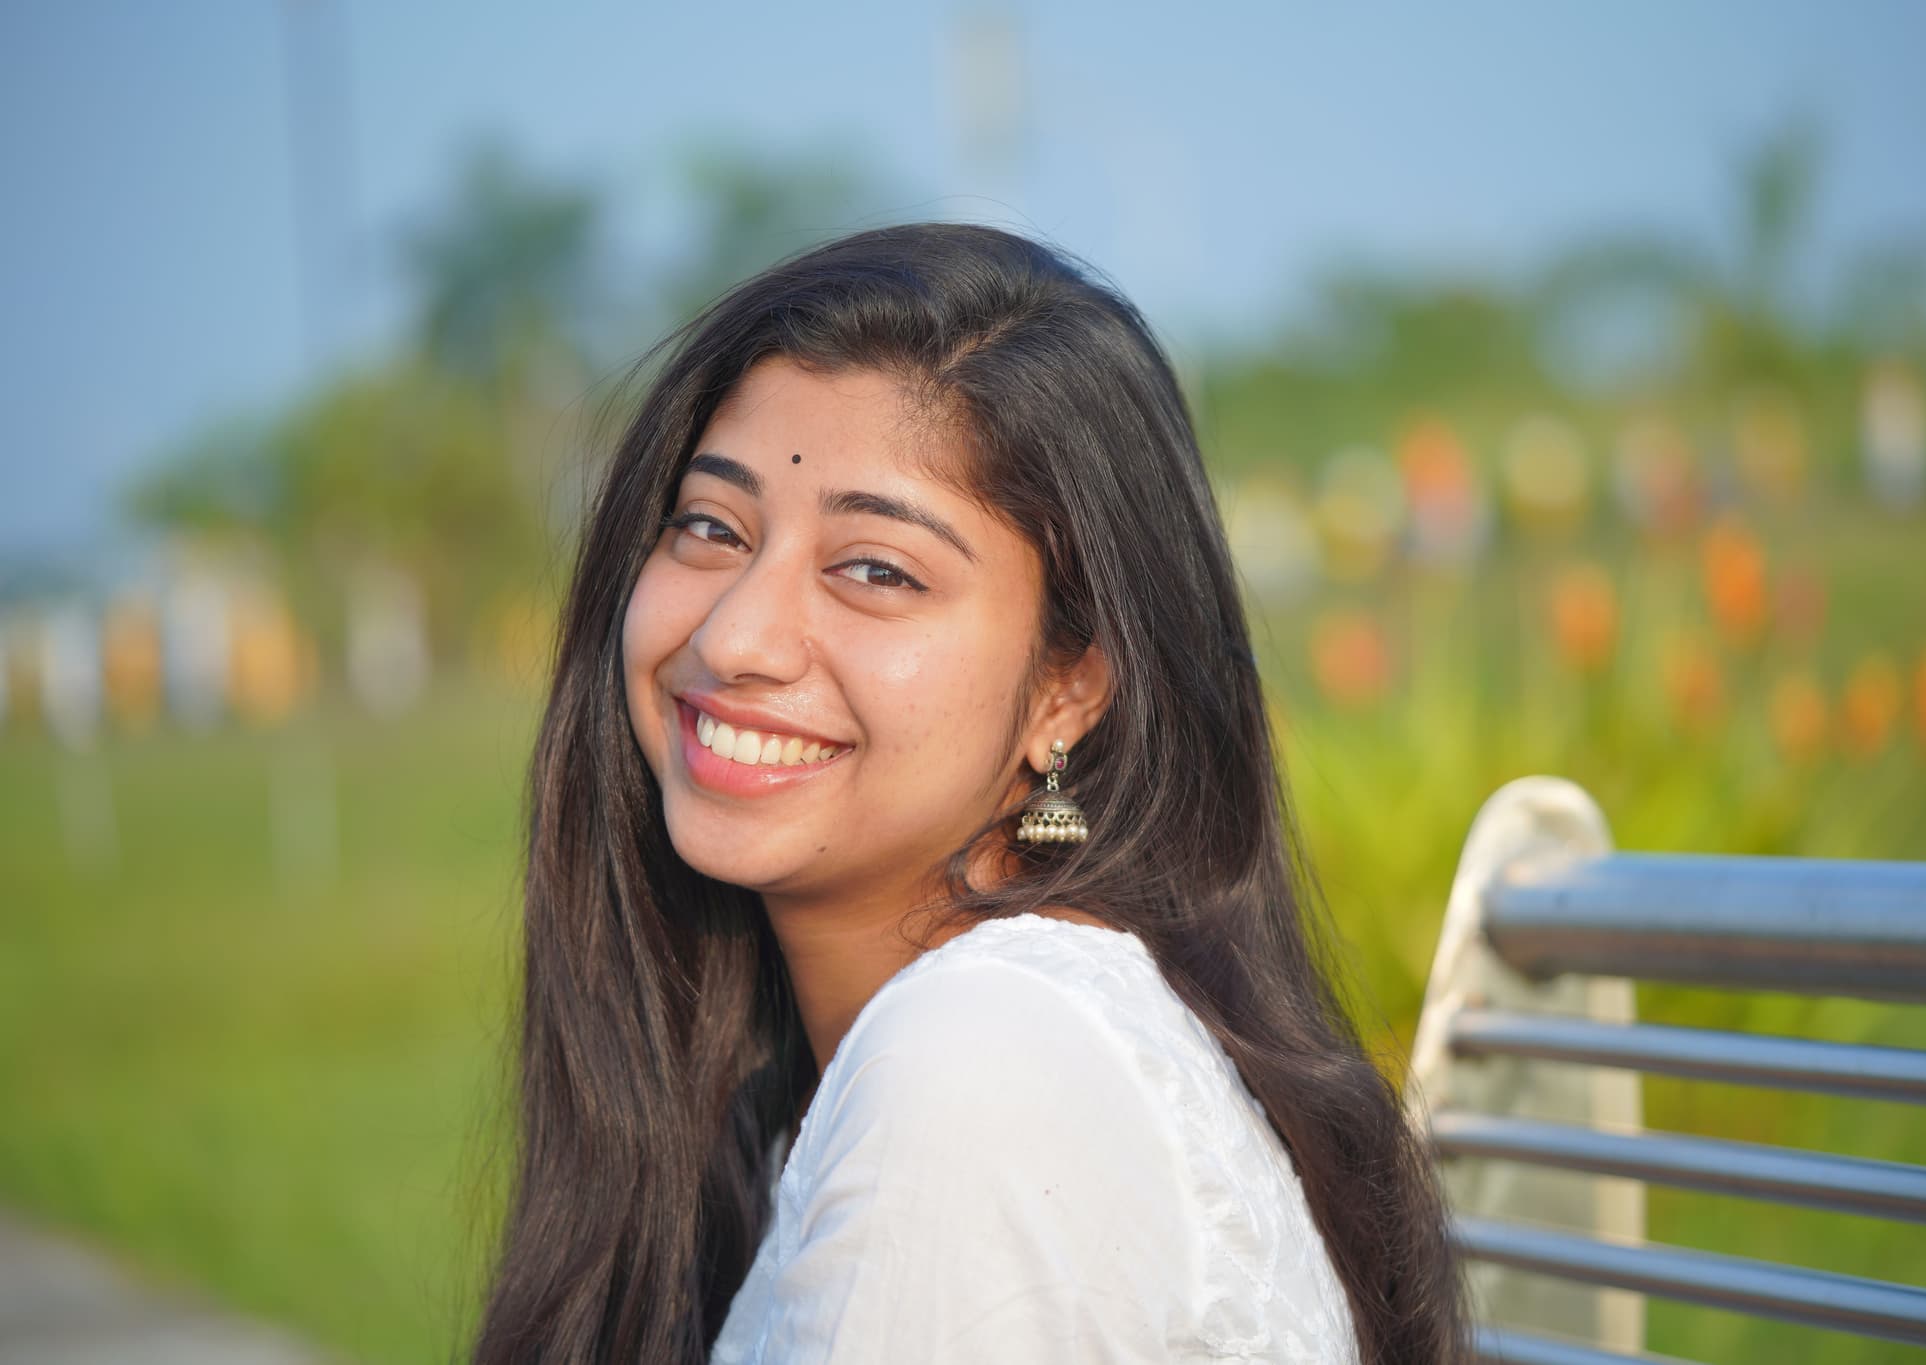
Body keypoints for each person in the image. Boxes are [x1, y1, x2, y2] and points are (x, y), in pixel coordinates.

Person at [469, 223, 1467, 1364]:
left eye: (876, 570)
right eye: (710, 526)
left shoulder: (977, 1067)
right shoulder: (838, 1067)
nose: (734, 634)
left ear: (1068, 685)